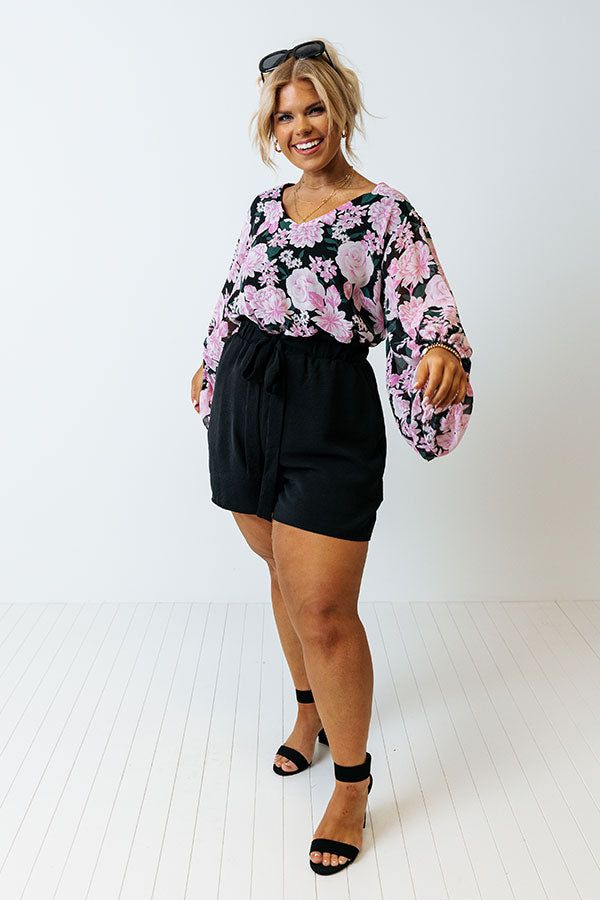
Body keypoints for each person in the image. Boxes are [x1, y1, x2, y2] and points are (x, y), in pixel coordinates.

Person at [190, 38, 474, 876]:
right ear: (271, 129)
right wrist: (211, 361)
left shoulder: (386, 213)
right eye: (285, 116)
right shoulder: (263, 207)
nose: (301, 126)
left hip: (327, 407)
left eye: (313, 108)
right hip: (247, 396)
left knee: (324, 609)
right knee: (281, 571)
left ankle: (352, 783)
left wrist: (441, 354)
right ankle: (308, 712)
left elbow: (425, 305)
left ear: (340, 111)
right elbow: (234, 294)